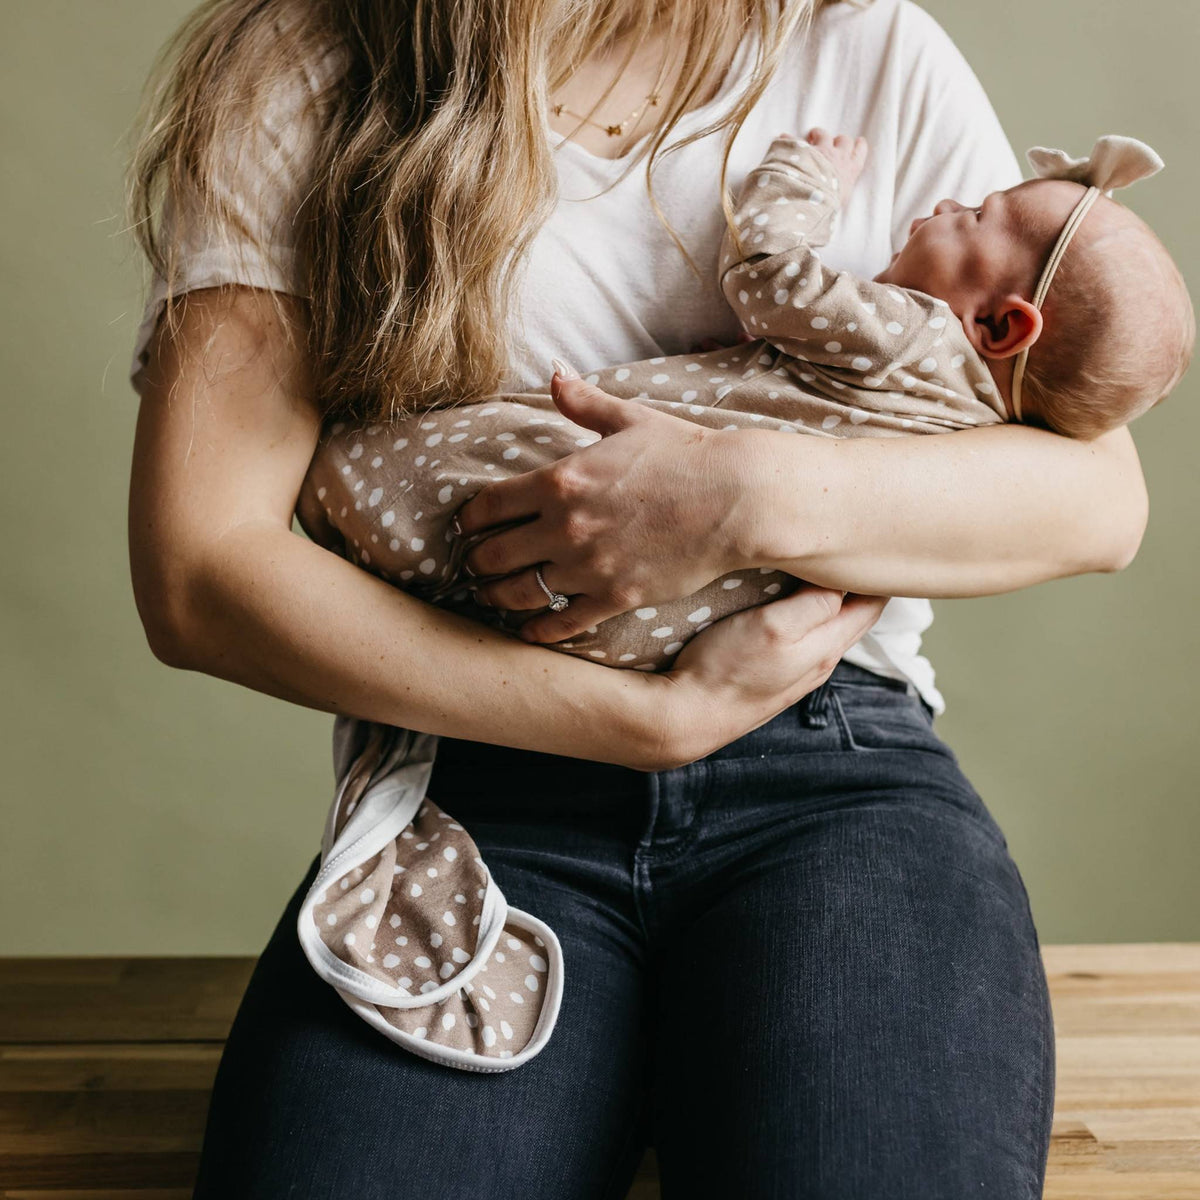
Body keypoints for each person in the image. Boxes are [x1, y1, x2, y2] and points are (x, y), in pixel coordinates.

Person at [126, 0, 1150, 1195]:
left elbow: (1096, 500)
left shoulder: (866, 47)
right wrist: (642, 725)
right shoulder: (308, 62)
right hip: (477, 783)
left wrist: (735, 494)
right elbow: (201, 575)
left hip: (832, 769)